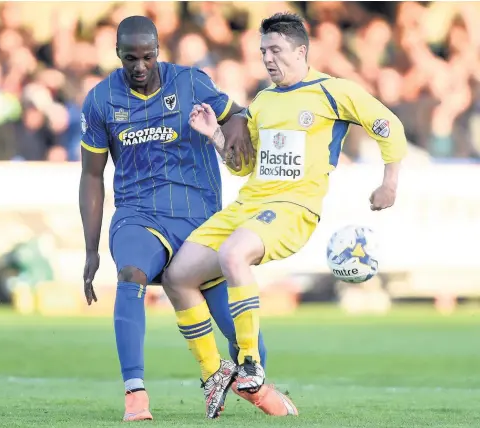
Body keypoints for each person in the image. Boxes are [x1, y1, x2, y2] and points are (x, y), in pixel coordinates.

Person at [162, 12, 408, 418]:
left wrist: (390, 182)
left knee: (233, 254)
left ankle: (250, 364)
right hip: (249, 205)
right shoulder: (264, 100)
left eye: (275, 50)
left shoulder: (334, 91)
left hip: (293, 208)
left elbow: (389, 126)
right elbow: (244, 166)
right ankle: (215, 372)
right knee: (177, 276)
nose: (268, 59)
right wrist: (217, 136)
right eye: (262, 51)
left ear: (301, 51)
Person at [79, 15, 265, 422]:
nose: (140, 66)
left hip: (199, 221)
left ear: (158, 51)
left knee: (251, 347)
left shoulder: (192, 82)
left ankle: (257, 387)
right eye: (131, 58)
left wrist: (234, 130)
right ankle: (135, 394)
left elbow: (237, 114)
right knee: (130, 275)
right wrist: (91, 250)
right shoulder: (100, 100)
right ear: (117, 55)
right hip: (138, 215)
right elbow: (91, 176)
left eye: (147, 57)